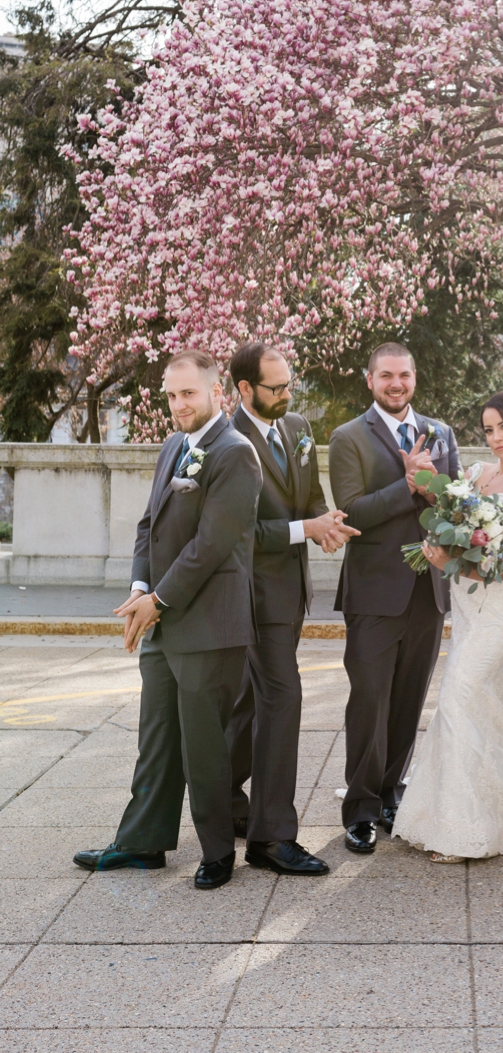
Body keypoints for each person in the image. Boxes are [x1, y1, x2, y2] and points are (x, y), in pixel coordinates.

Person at [75, 350, 261, 890]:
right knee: (156, 735)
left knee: (202, 744)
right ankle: (142, 843)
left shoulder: (235, 453)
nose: (179, 404)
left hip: (207, 624)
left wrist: (156, 601)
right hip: (161, 615)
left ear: (216, 393)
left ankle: (218, 852)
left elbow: (211, 547)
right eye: (172, 395)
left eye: (189, 394)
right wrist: (138, 588)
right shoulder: (174, 446)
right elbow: (147, 525)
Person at [394, 393, 503, 860]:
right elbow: (448, 504)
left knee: (460, 697)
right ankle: (461, 810)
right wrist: (423, 479)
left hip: (500, 612)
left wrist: (449, 561)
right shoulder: (478, 473)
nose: (495, 438)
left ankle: (466, 830)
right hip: (469, 609)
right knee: (480, 707)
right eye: (488, 429)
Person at [225, 341, 353, 878]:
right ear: (244, 389)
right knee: (283, 699)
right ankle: (272, 839)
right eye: (274, 388)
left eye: (288, 385)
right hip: (246, 595)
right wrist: (306, 529)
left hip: (289, 591)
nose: (286, 395)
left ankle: (225, 799)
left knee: (252, 702)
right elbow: (236, 534)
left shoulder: (297, 427)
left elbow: (309, 497)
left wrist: (326, 522)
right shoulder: (227, 443)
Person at [327, 342, 461, 855]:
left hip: (429, 587)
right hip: (374, 592)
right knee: (369, 701)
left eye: (404, 374)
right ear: (370, 380)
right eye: (386, 376)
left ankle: (390, 795)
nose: (396, 384)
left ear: (414, 377)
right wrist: (408, 486)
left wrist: (434, 489)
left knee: (408, 699)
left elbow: (452, 499)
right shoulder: (347, 437)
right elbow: (351, 509)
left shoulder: (441, 433)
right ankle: (359, 809)